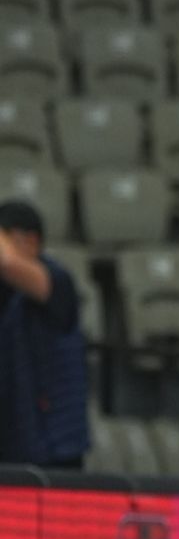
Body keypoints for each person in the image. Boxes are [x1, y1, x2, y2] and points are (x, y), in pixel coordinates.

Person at [0, 200, 88, 469]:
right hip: (14, 440)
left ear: (32, 241)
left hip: (55, 445)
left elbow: (8, 263)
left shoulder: (57, 280)